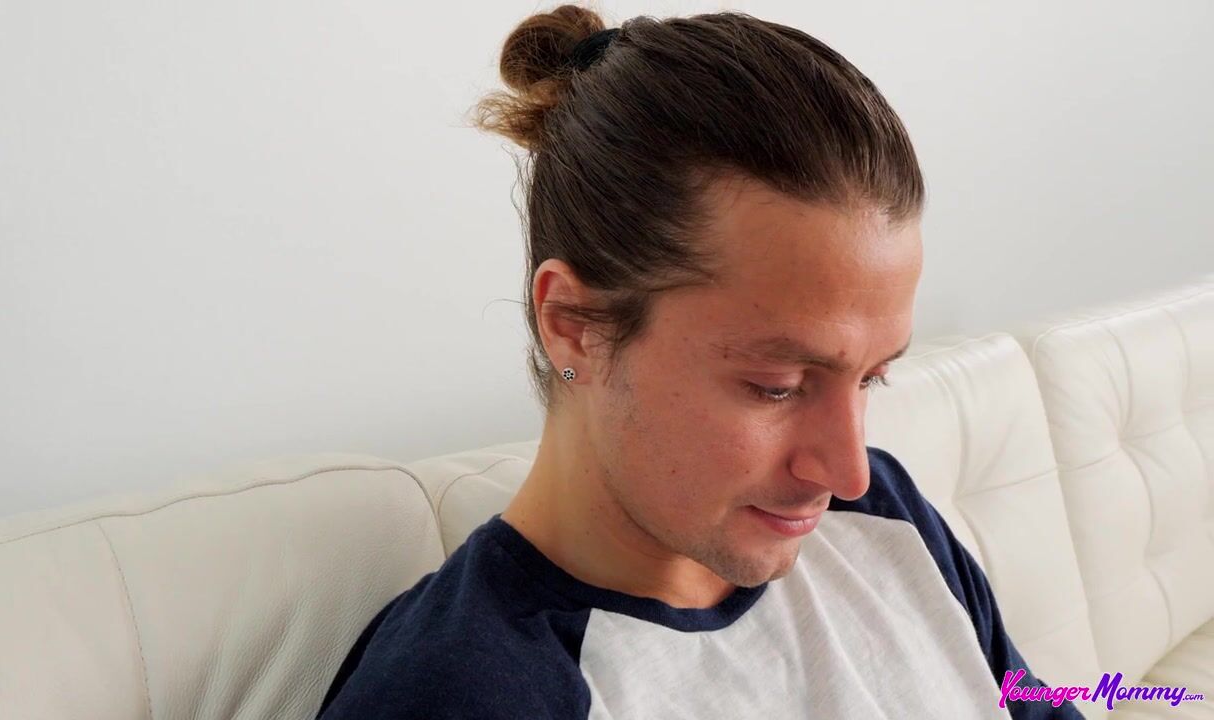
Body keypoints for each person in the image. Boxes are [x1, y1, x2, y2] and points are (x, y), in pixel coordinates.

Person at [318, 5, 1085, 718]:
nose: (848, 472)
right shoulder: (461, 692)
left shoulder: (884, 514)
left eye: (872, 376)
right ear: (574, 326)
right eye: (777, 387)